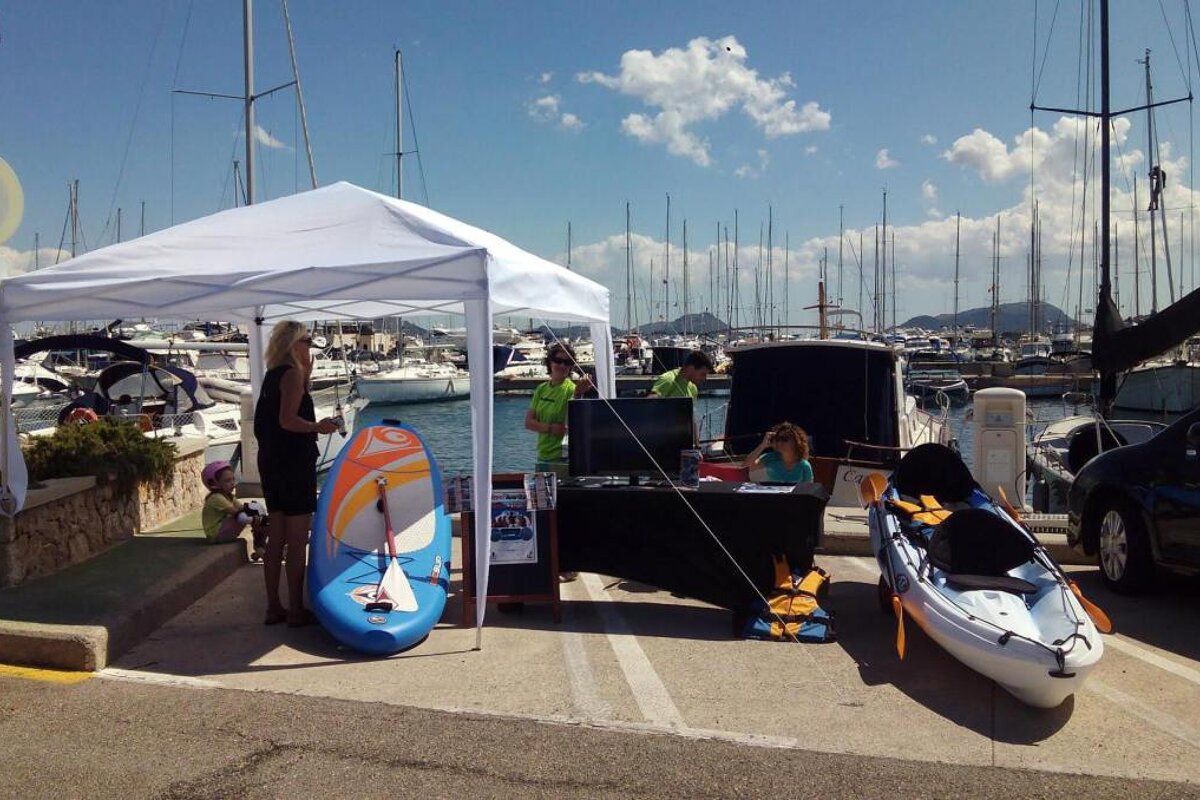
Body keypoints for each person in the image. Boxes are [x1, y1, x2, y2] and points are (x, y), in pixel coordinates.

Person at [254, 321, 340, 627]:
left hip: (272, 462)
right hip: (292, 463)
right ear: (294, 344)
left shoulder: (273, 375)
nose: (310, 347)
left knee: (276, 537)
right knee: (296, 539)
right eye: (307, 341)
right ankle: (294, 609)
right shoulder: (290, 376)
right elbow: (288, 420)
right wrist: (319, 426)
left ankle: (273, 606)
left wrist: (308, 375)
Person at [523, 342, 592, 478]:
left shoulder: (571, 390)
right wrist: (551, 428)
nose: (562, 365)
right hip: (543, 455)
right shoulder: (541, 389)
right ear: (550, 362)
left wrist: (579, 394)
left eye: (566, 362)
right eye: (558, 361)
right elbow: (529, 423)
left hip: (563, 457)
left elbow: (573, 423)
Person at [201, 460, 268, 560]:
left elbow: (244, 508)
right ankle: (260, 547)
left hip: (223, 531)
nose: (232, 483)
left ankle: (261, 547)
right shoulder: (216, 498)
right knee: (246, 516)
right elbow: (238, 514)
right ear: (213, 483)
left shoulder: (229, 496)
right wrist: (259, 519)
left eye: (233, 479)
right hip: (216, 535)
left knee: (255, 509)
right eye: (227, 481)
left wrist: (261, 515)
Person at [746, 422, 814, 483]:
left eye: (784, 439)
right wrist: (762, 445)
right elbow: (746, 464)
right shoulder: (769, 458)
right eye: (777, 439)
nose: (779, 442)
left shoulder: (804, 466)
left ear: (797, 442)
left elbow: (808, 491)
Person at [648, 350, 713, 400]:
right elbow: (650, 404)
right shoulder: (668, 379)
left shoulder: (693, 388)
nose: (704, 379)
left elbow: (691, 413)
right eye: (702, 374)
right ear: (691, 368)